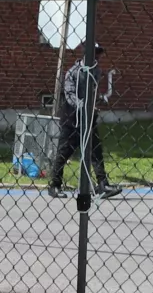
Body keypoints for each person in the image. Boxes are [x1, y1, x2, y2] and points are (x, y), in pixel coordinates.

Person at [47, 44, 123, 199]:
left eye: (99, 54)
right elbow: (69, 95)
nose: (97, 57)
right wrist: (84, 106)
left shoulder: (96, 71)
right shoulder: (73, 72)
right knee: (64, 151)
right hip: (72, 120)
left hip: (88, 120)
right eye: (95, 54)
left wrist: (96, 102)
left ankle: (102, 184)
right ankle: (54, 185)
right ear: (86, 55)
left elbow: (92, 93)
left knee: (96, 151)